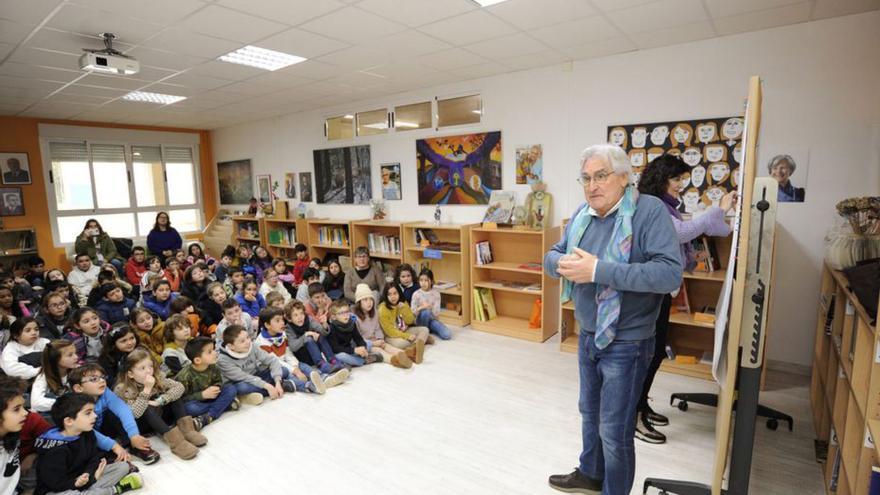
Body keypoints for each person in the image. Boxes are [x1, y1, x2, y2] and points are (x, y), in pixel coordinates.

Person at [543, 144, 682, 495]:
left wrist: (598, 270)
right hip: (588, 333)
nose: (592, 186)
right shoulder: (583, 214)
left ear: (623, 177)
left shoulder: (648, 212)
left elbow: (669, 276)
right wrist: (562, 265)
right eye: (586, 178)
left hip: (629, 341)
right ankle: (590, 474)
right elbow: (551, 256)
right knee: (589, 413)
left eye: (601, 176)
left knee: (615, 429)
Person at [634, 154, 734, 444]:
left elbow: (707, 231)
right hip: (652, 290)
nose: (681, 185)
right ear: (662, 178)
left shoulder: (666, 206)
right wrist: (718, 209)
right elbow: (680, 233)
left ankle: (641, 406)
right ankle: (635, 415)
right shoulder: (652, 206)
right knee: (650, 355)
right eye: (676, 179)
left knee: (654, 353)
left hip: (661, 289)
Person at [34, 393, 143, 495]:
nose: (95, 416)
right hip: (58, 489)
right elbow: (55, 484)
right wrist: (76, 483)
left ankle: (96, 491)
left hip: (84, 479)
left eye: (93, 411)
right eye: (88, 413)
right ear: (69, 421)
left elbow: (94, 458)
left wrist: (91, 475)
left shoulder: (88, 433)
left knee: (122, 467)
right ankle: (114, 489)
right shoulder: (55, 449)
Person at [113, 348, 205, 460]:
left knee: (174, 397)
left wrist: (161, 400)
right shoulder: (123, 389)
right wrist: (146, 389)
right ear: (131, 374)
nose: (148, 371)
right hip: (141, 424)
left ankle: (188, 431)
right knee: (146, 406)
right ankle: (176, 442)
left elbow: (179, 387)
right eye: (142, 368)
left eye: (150, 366)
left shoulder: (157, 376)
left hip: (159, 416)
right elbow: (134, 414)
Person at [67, 364, 160, 465]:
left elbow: (123, 409)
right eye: (94, 379)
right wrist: (114, 446)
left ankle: (134, 445)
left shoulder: (105, 392)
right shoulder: (74, 405)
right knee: (86, 442)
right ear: (78, 388)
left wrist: (134, 435)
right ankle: (113, 458)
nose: (102, 381)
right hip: (87, 434)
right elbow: (88, 432)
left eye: (102, 377)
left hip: (102, 429)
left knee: (113, 413)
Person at [216, 325, 297, 406]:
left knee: (284, 371)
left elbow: (272, 360)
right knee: (241, 388)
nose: (248, 342)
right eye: (242, 341)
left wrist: (277, 382)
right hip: (240, 382)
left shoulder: (252, 345)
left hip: (255, 375)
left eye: (248, 337)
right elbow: (244, 377)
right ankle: (245, 395)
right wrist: (267, 386)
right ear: (231, 346)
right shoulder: (223, 360)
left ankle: (265, 391)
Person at [0, 376, 50, 495]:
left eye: (23, 407)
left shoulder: (12, 432)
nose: (25, 413)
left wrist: (33, 454)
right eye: (16, 409)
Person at [175, 337, 238, 429]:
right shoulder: (184, 376)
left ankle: (207, 417)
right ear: (197, 360)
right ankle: (224, 406)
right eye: (210, 352)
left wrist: (217, 387)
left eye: (214, 349)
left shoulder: (213, 367)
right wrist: (202, 395)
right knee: (189, 409)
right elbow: (181, 400)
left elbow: (219, 381)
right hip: (197, 402)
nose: (215, 353)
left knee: (230, 388)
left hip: (212, 398)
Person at [353, 284, 412, 368]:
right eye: (365, 300)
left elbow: (377, 328)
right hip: (366, 344)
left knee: (388, 347)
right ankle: (395, 360)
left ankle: (408, 355)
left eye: (371, 299)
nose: (369, 302)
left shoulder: (374, 312)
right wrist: (373, 343)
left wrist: (380, 339)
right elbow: (357, 339)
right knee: (380, 350)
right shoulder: (354, 318)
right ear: (359, 302)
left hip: (376, 339)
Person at [377, 285, 427, 364]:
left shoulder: (403, 302)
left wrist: (403, 308)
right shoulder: (383, 309)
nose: (393, 297)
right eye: (389, 294)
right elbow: (390, 332)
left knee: (425, 330)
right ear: (385, 296)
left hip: (404, 330)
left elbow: (410, 320)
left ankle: (414, 350)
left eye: (395, 293)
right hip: (390, 336)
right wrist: (407, 336)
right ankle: (418, 345)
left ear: (399, 293)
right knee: (401, 344)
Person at [31, 340, 81, 415]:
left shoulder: (78, 371)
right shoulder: (42, 378)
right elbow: (36, 403)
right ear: (55, 359)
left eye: (75, 353)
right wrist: (66, 402)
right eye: (70, 355)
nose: (76, 357)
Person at [327, 299, 381, 368]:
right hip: (338, 352)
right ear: (334, 317)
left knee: (366, 343)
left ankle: (350, 363)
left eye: (347, 312)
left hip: (350, 349)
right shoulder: (331, 328)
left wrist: (363, 348)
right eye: (341, 313)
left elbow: (359, 339)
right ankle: (364, 361)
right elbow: (335, 348)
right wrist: (354, 350)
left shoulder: (351, 324)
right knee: (342, 356)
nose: (345, 315)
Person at [410, 268, 452, 341]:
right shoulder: (416, 294)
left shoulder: (436, 294)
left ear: (431, 281)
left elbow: (436, 313)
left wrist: (430, 307)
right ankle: (424, 334)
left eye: (426, 280)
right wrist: (422, 307)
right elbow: (413, 312)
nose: (423, 283)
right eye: (421, 280)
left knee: (447, 335)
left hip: (432, 320)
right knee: (426, 312)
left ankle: (428, 330)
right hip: (419, 321)